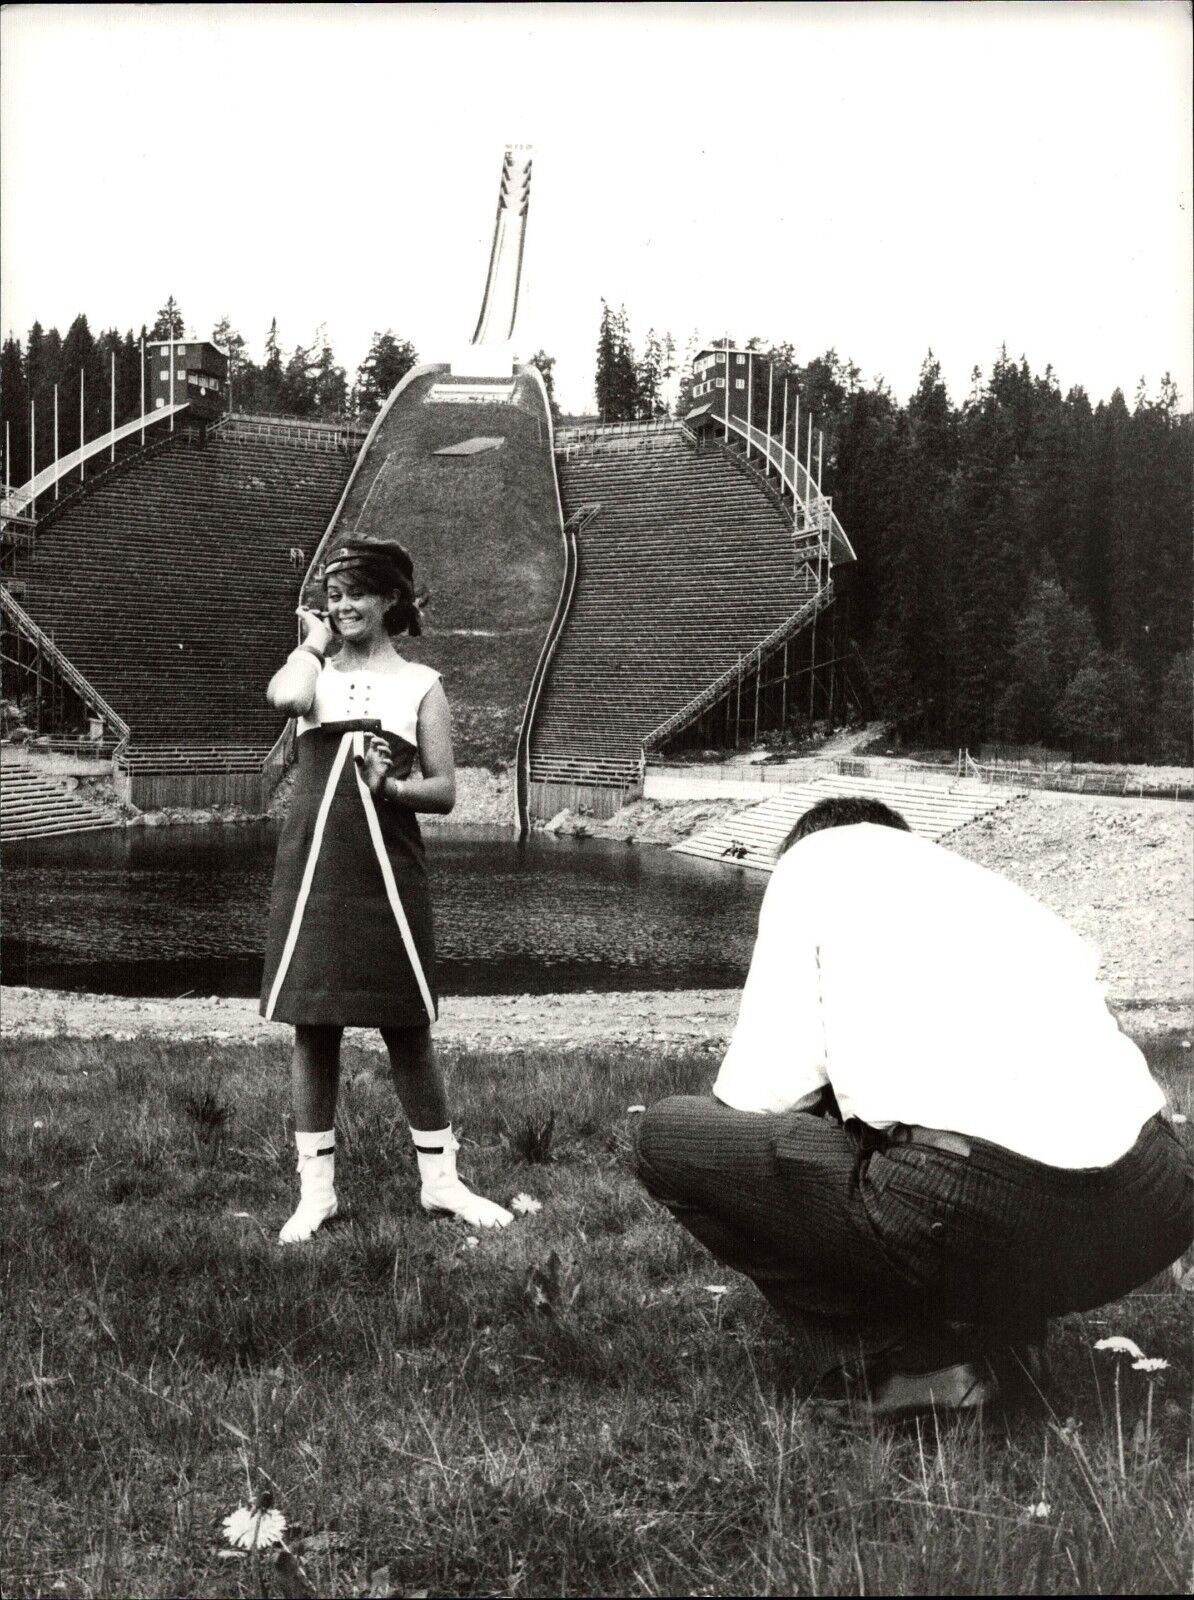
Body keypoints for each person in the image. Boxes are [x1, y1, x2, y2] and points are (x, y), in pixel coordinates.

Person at [637, 796, 1192, 1416]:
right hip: (1152, 1207)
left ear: (797, 844)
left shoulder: (810, 862)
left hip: (979, 1204)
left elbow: (762, 1098)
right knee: (954, 1136)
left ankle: (912, 1364)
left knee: (670, 1139)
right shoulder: (992, 893)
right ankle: (1004, 1341)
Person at [260, 536, 512, 1243]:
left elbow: (446, 791)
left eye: (356, 593)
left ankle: (442, 1184)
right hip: (315, 863)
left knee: (407, 1026)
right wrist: (311, 645)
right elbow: (285, 697)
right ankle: (316, 1195)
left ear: (392, 599)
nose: (343, 606)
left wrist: (390, 785)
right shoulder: (312, 674)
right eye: (333, 594)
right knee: (314, 1026)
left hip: (387, 871)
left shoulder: (421, 684)